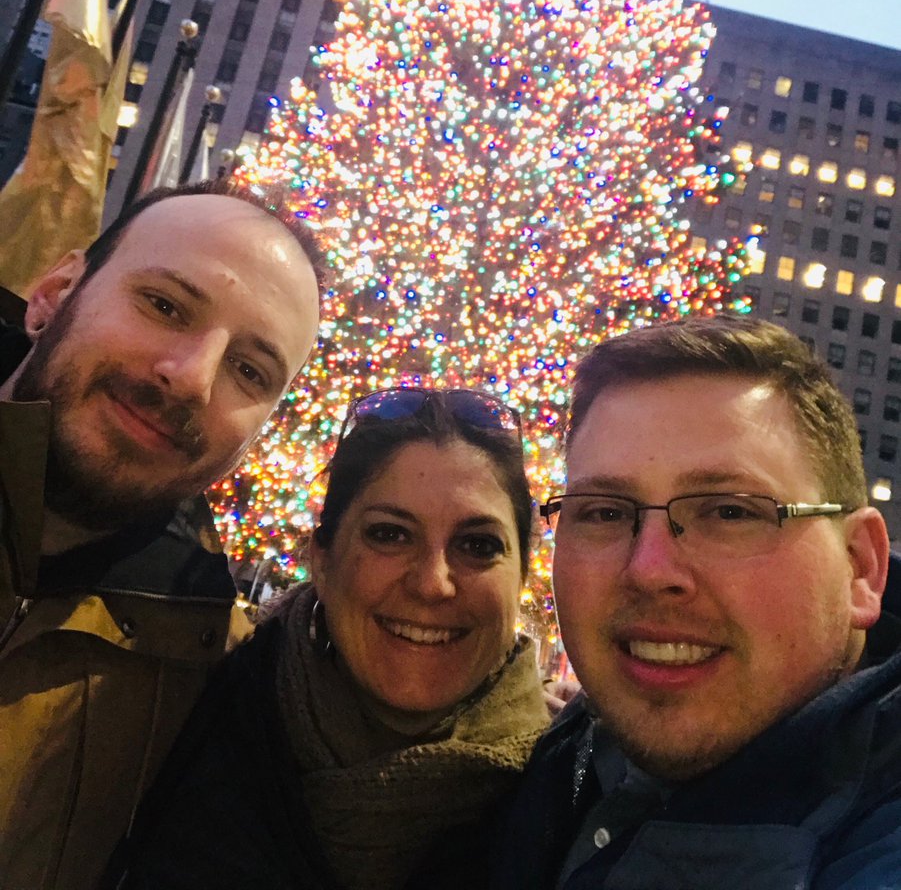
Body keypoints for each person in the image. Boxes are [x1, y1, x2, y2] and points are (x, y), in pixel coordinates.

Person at [492, 315, 901, 890]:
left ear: (860, 568)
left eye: (729, 512)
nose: (650, 570)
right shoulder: (569, 757)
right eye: (605, 513)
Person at [0, 181, 323, 890]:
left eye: (249, 369)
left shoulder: (217, 685)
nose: (192, 379)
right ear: (53, 292)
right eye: (165, 305)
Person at [106, 387, 549, 890]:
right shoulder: (175, 713)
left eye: (478, 544)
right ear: (321, 559)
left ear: (520, 580)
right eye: (390, 534)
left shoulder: (576, 800)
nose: (432, 583)